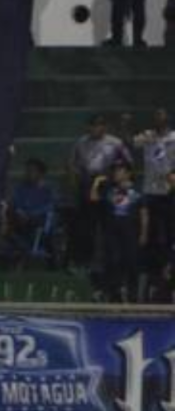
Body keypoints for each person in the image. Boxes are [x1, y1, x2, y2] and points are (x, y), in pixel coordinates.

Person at [69, 114, 133, 270]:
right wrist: (76, 177)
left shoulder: (114, 143)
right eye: (92, 125)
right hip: (88, 183)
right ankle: (85, 261)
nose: (95, 128)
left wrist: (119, 180)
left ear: (105, 127)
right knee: (85, 226)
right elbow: (72, 163)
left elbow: (128, 162)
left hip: (108, 183)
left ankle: (111, 260)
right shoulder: (81, 142)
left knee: (109, 224)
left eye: (99, 125)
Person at [92, 160, 148, 301]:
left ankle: (133, 294)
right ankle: (114, 292)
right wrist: (96, 183)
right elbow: (93, 198)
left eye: (120, 170)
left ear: (128, 173)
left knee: (131, 262)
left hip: (131, 232)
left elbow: (144, 214)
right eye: (115, 170)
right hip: (112, 232)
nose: (116, 173)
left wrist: (143, 233)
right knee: (113, 261)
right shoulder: (110, 190)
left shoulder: (137, 192)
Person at [132, 109, 175, 274]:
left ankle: (169, 264)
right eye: (156, 116)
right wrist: (126, 126)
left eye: (162, 116)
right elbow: (132, 142)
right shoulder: (147, 135)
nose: (159, 118)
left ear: (168, 119)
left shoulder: (174, 137)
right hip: (150, 191)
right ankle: (152, 267)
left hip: (169, 191)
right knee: (151, 231)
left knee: (170, 230)